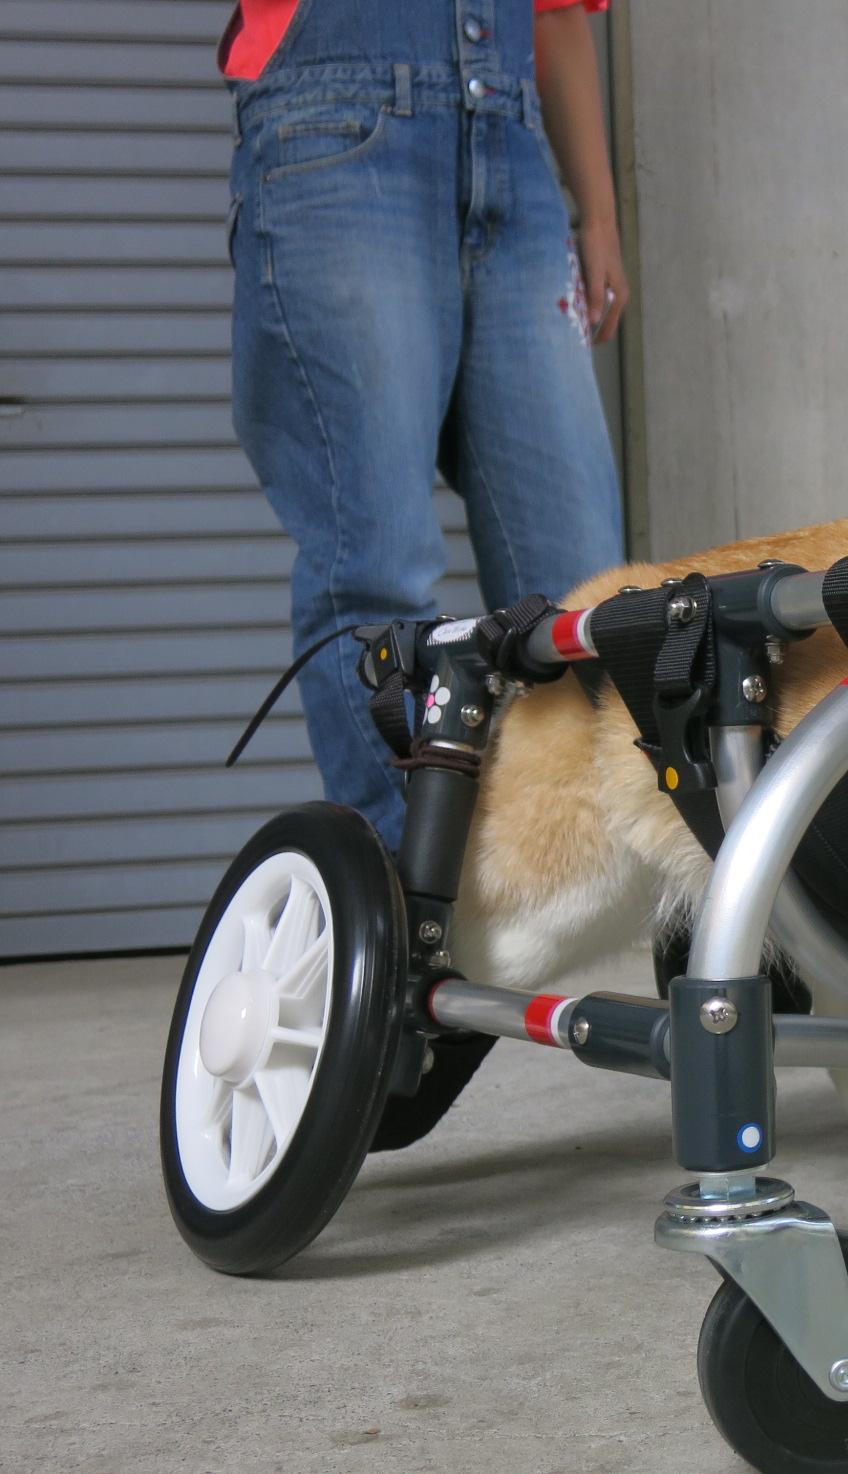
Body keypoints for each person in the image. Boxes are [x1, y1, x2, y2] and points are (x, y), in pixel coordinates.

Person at [224, 0, 629, 849]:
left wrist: (597, 210)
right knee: (378, 569)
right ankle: (407, 897)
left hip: (517, 153)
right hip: (340, 137)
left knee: (586, 589)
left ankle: (554, 870)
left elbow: (557, 15)